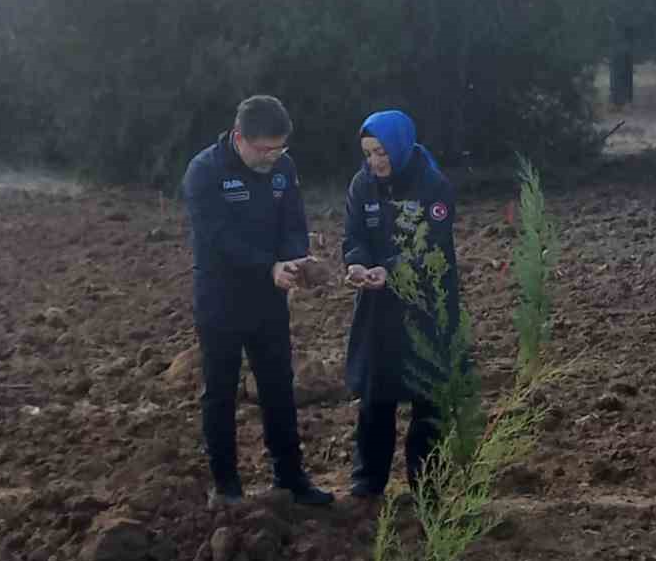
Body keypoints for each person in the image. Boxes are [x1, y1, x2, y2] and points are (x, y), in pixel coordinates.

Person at [181, 95, 334, 507]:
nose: (272, 157)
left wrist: (295, 259)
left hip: (269, 299)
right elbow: (218, 239)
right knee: (220, 392)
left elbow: (293, 221)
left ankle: (291, 479)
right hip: (221, 299)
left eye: (279, 148)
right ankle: (227, 487)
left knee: (278, 386)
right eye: (264, 149)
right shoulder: (204, 172)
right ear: (238, 138)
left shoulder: (283, 168)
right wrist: (269, 265)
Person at [341, 109, 461, 500]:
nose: (375, 162)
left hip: (427, 305)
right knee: (376, 394)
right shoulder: (362, 185)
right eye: (369, 153)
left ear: (400, 146)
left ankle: (427, 484)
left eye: (381, 152)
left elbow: (432, 248)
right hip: (377, 306)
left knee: (427, 398)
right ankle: (367, 480)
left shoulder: (433, 187)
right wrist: (357, 262)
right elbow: (354, 234)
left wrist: (389, 271)